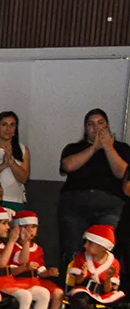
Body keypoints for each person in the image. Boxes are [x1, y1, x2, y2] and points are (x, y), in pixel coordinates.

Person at [59, 108, 130, 267]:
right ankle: (72, 280)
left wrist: (108, 148)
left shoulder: (122, 148)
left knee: (106, 248)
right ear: (85, 129)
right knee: (73, 250)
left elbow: (123, 174)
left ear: (108, 126)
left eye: (100, 123)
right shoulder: (73, 148)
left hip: (110, 205)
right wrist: (93, 148)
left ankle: (104, 280)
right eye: (91, 124)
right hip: (75, 204)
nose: (96, 128)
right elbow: (68, 166)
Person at [63, 225, 128, 309]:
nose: (85, 245)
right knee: (80, 300)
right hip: (85, 289)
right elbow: (77, 283)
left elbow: (108, 290)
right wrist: (82, 276)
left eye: (90, 243)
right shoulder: (82, 257)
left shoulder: (114, 262)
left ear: (102, 246)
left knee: (124, 305)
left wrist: (108, 278)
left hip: (103, 293)